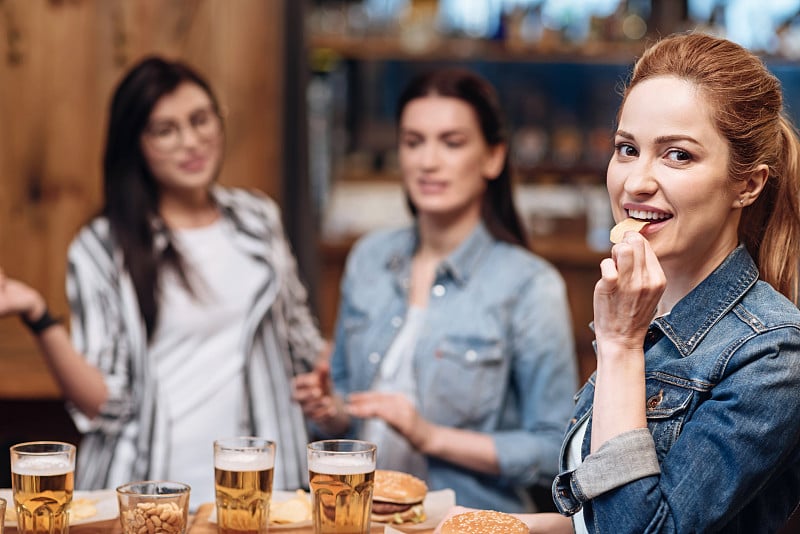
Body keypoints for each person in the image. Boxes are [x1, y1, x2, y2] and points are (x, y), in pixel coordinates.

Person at [0, 57, 324, 505]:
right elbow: (105, 404)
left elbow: (303, 343)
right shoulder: (102, 246)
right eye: (165, 130)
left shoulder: (258, 219)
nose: (191, 142)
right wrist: (37, 316)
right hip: (147, 488)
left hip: (259, 484)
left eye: (200, 120)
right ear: (136, 144)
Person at [541, 32, 800, 533]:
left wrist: (618, 346)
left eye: (677, 155)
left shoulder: (775, 354)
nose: (635, 182)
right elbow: (598, 518)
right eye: (626, 148)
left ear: (747, 184)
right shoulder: (648, 315)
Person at [293, 67, 579, 512]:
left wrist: (429, 436)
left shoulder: (529, 285)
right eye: (413, 141)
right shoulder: (369, 259)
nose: (427, 161)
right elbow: (348, 409)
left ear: (493, 157)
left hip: (464, 518)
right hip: (357, 516)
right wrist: (330, 410)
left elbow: (554, 452)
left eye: (452, 142)